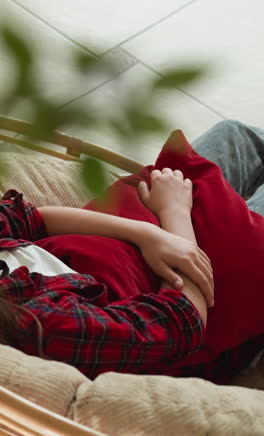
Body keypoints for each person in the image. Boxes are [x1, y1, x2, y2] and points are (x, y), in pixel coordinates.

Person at [0, 119, 263, 385]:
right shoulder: (47, 327)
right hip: (201, 284)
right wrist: (175, 213)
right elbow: (183, 322)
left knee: (236, 134)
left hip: (152, 227)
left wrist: (147, 234)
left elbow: (31, 218)